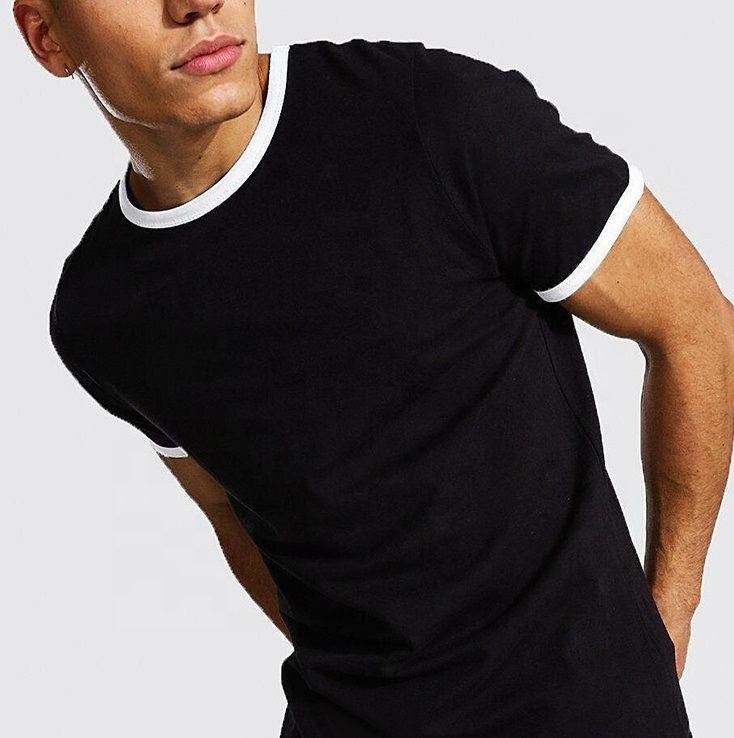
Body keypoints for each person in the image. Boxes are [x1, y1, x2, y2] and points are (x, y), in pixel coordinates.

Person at [14, 1, 732, 736]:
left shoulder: (430, 116)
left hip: (590, 710)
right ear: (47, 38)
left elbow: (693, 322)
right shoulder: (101, 316)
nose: (195, 3)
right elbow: (234, 514)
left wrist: (669, 609)